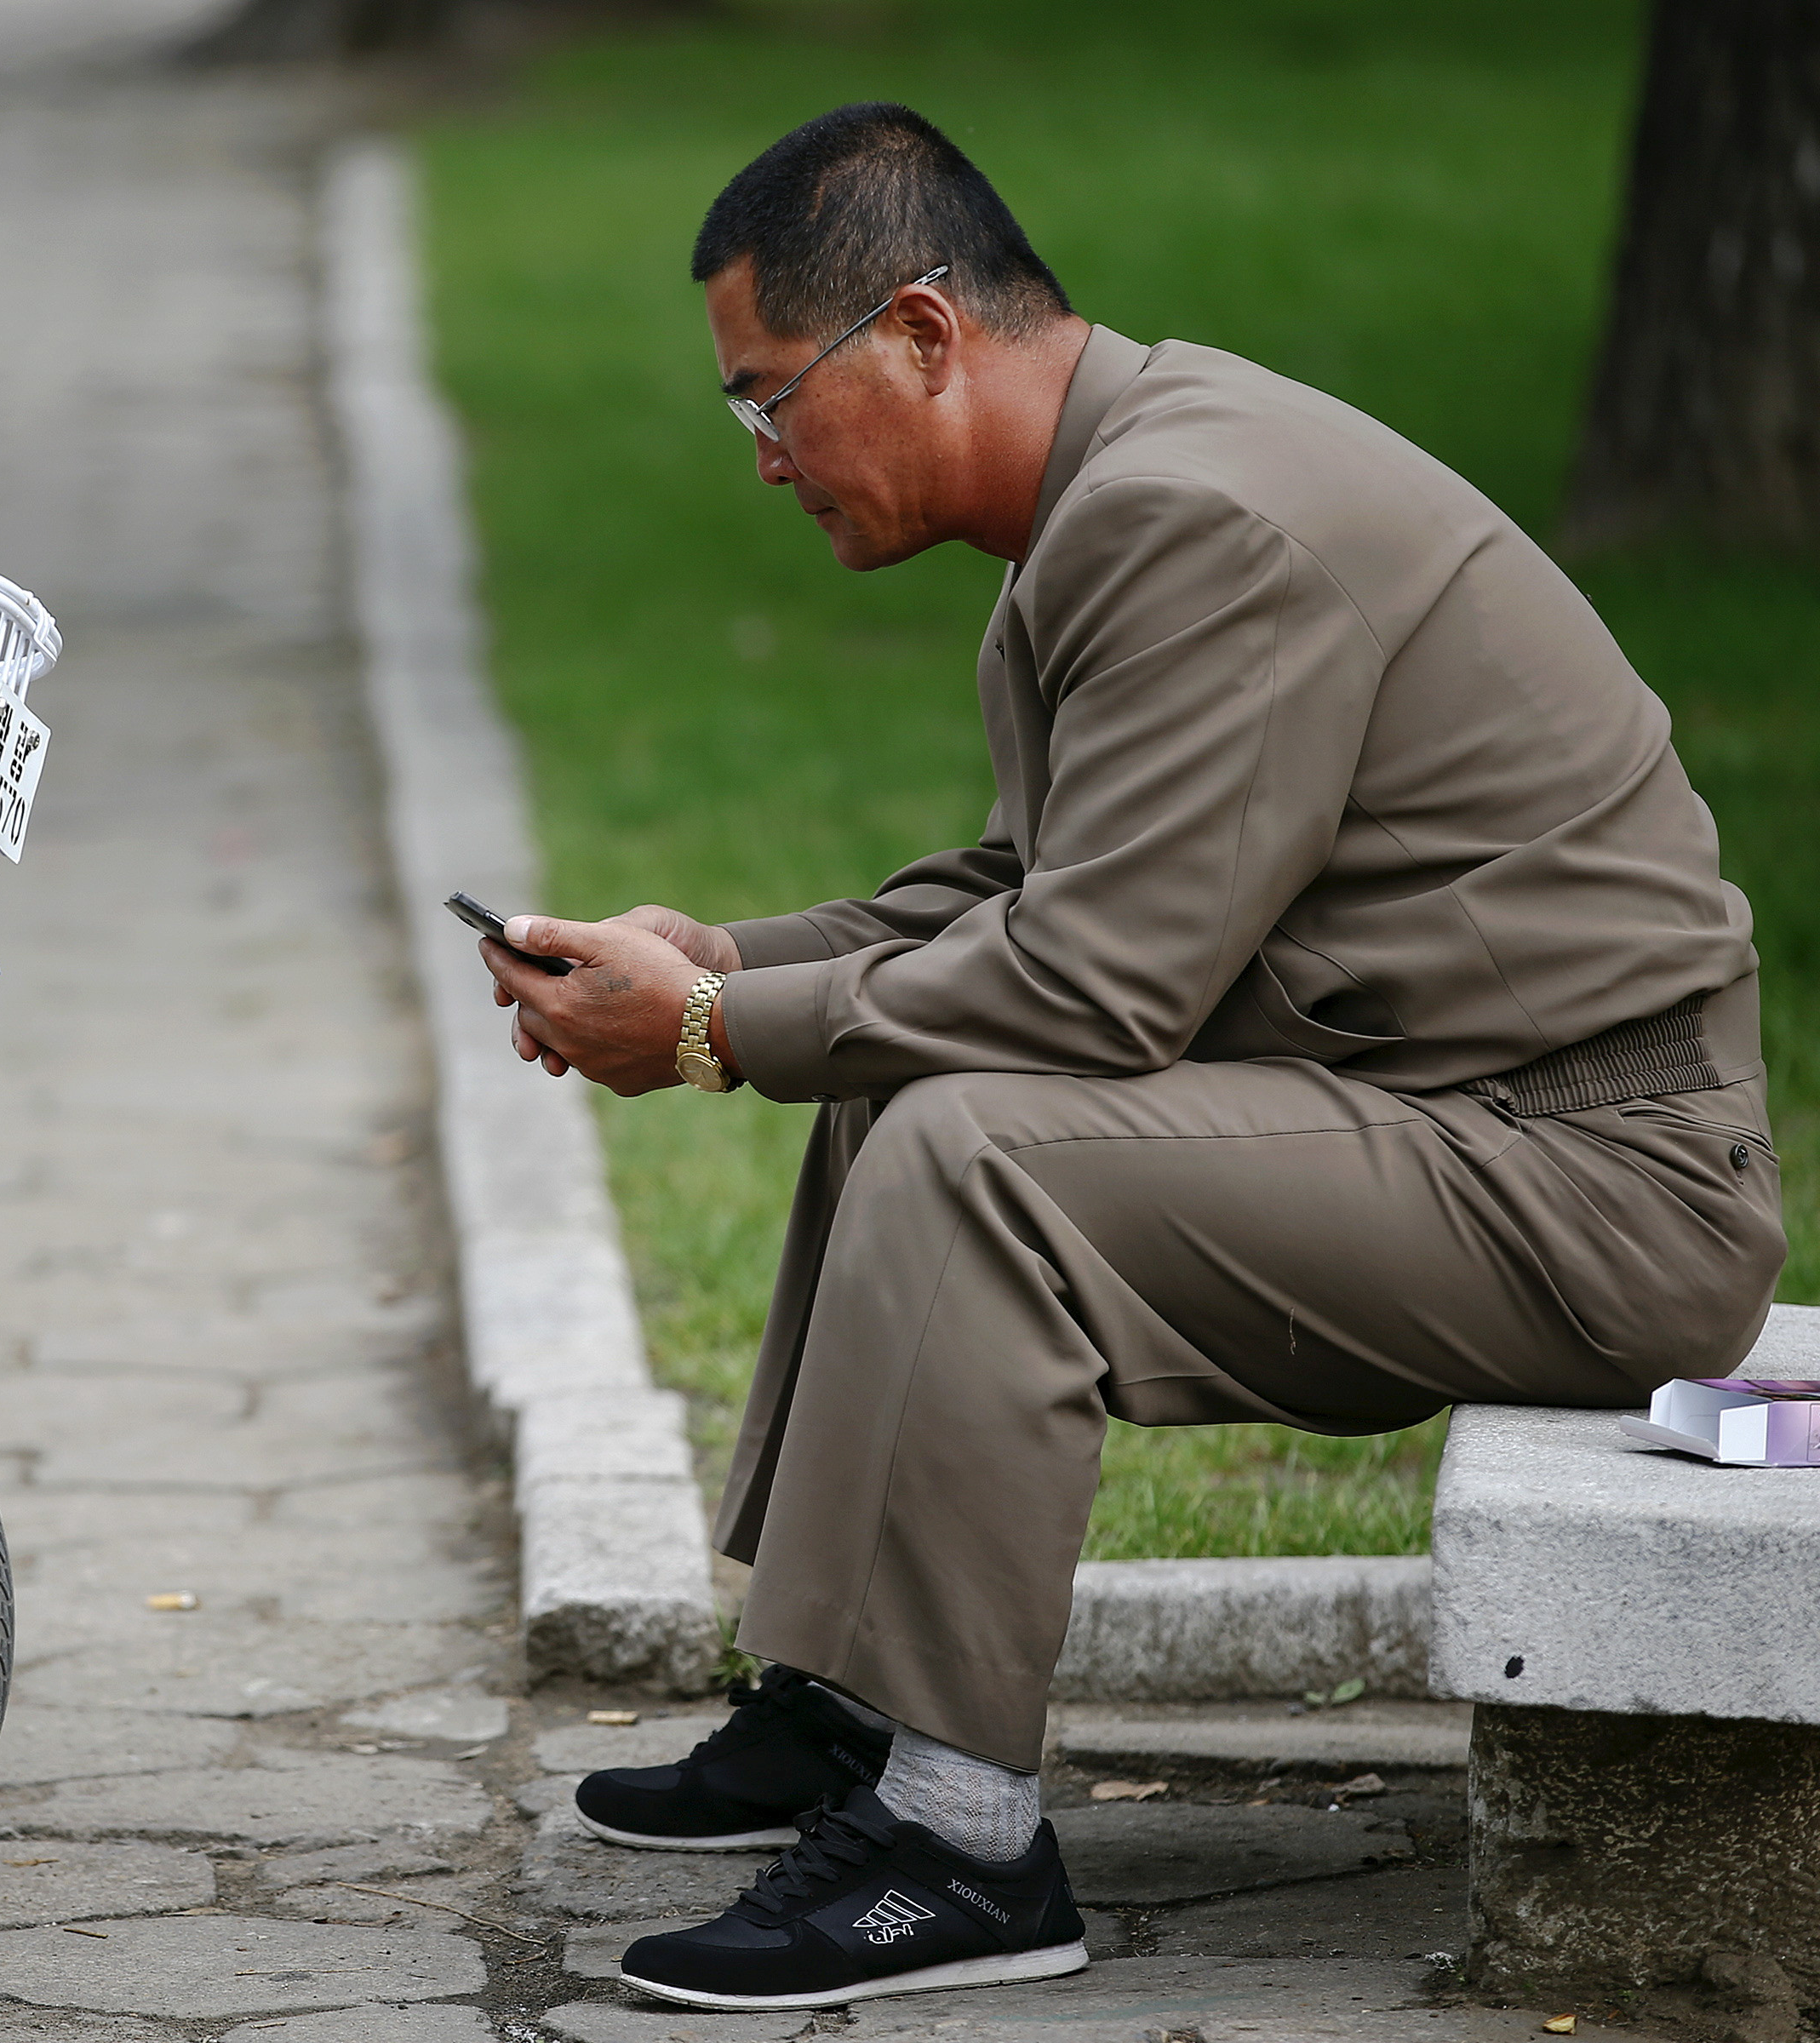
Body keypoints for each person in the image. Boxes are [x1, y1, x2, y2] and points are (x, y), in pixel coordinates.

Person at [479, 102, 1785, 2016]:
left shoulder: (1194, 514)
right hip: (1449, 1117)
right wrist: (731, 962)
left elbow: (1093, 990)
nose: (761, 460)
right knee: (907, 1089)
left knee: (975, 1149)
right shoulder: (1120, 488)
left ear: (924, 335)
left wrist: (704, 1034)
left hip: (1595, 1178)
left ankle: (959, 1849)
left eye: (769, 402)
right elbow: (1026, 896)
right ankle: (854, 1706)